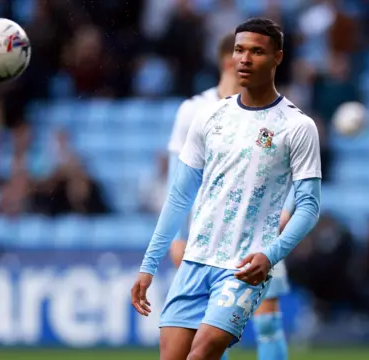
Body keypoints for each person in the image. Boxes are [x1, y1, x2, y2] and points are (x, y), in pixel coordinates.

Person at [131, 18, 322, 360]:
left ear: (278, 57)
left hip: (245, 265)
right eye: (239, 50)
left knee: (203, 351)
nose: (245, 59)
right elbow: (179, 195)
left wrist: (271, 255)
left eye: (257, 51)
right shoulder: (207, 116)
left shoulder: (296, 126)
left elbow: (308, 206)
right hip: (195, 262)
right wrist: (149, 265)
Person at [167, 32, 293, 360]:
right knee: (208, 327)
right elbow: (178, 178)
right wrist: (177, 234)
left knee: (267, 321)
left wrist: (287, 209)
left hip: (258, 233)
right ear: (229, 61)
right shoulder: (193, 110)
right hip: (208, 235)